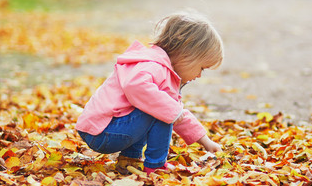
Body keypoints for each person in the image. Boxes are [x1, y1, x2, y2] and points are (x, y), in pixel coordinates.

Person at [75, 11, 224, 175]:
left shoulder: (161, 69)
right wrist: (171, 111)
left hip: (100, 128)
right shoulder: (154, 65)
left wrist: (205, 141)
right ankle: (156, 165)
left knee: (164, 109)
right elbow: (135, 85)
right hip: (105, 131)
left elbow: (178, 113)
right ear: (186, 53)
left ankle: (129, 160)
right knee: (162, 112)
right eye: (201, 68)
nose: (199, 75)